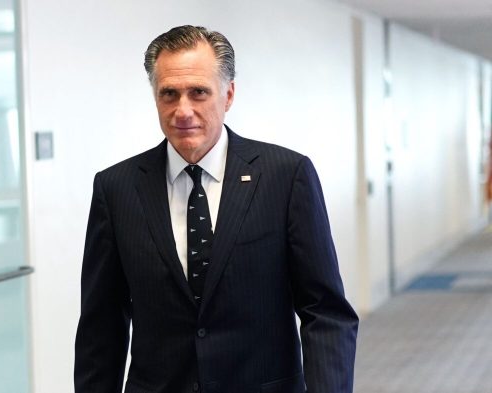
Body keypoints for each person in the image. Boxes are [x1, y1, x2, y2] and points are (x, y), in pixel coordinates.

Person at [74, 25, 358, 393]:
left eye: (198, 93)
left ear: (229, 94)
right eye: (169, 94)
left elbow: (325, 312)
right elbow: (102, 324)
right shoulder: (117, 188)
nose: (183, 110)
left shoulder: (285, 176)